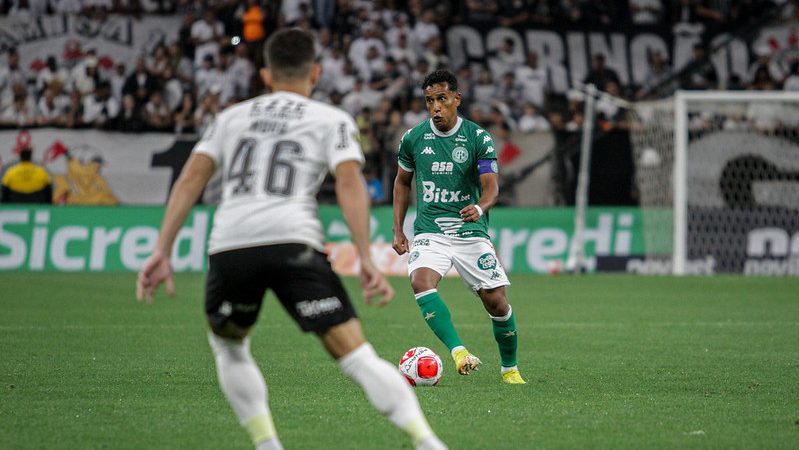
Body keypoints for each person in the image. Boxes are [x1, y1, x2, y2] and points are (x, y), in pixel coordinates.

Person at [135, 29, 447, 450]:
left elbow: (191, 178)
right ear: (315, 72)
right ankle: (427, 442)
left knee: (230, 348)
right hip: (293, 241)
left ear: (265, 74)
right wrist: (366, 257)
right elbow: (350, 183)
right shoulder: (330, 118)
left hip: (231, 245)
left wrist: (161, 249)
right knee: (356, 356)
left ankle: (267, 445)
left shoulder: (230, 118)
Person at [392, 69, 525, 385]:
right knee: (420, 281)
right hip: (430, 230)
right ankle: (459, 352)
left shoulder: (478, 138)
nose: (435, 107)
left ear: (456, 99)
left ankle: (510, 369)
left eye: (441, 99)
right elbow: (401, 183)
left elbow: (491, 187)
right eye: (429, 101)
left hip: (470, 231)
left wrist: (479, 207)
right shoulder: (413, 139)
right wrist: (398, 229)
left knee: (496, 301)